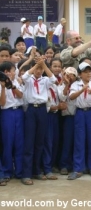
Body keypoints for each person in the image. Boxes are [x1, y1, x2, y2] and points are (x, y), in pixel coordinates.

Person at [21, 57, 57, 185]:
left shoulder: (46, 80)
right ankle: (26, 173)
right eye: (37, 68)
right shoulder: (29, 80)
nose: (39, 71)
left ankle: (37, 171)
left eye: (41, 69)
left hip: (42, 110)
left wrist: (44, 65)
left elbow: (54, 79)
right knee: (29, 142)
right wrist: (35, 65)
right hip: (31, 110)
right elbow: (24, 77)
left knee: (39, 142)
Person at [68, 62, 91, 180]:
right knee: (79, 141)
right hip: (80, 113)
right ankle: (78, 168)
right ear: (80, 74)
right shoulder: (76, 85)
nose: (88, 74)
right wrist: (83, 89)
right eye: (85, 72)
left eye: (89, 71)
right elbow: (71, 97)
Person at [0, 61, 24, 180]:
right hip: (7, 113)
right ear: (6, 72)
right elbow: (2, 103)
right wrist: (4, 87)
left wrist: (12, 86)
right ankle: (7, 171)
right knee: (8, 142)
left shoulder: (16, 82)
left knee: (19, 142)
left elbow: (20, 96)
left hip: (18, 112)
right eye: (13, 70)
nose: (14, 73)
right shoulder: (0, 84)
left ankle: (19, 171)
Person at [58, 67, 78, 175]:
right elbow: (62, 97)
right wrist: (66, 84)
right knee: (67, 141)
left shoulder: (78, 85)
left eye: (72, 75)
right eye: (67, 74)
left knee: (77, 141)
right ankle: (64, 164)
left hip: (78, 115)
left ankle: (74, 164)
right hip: (67, 117)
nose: (70, 77)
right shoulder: (61, 86)